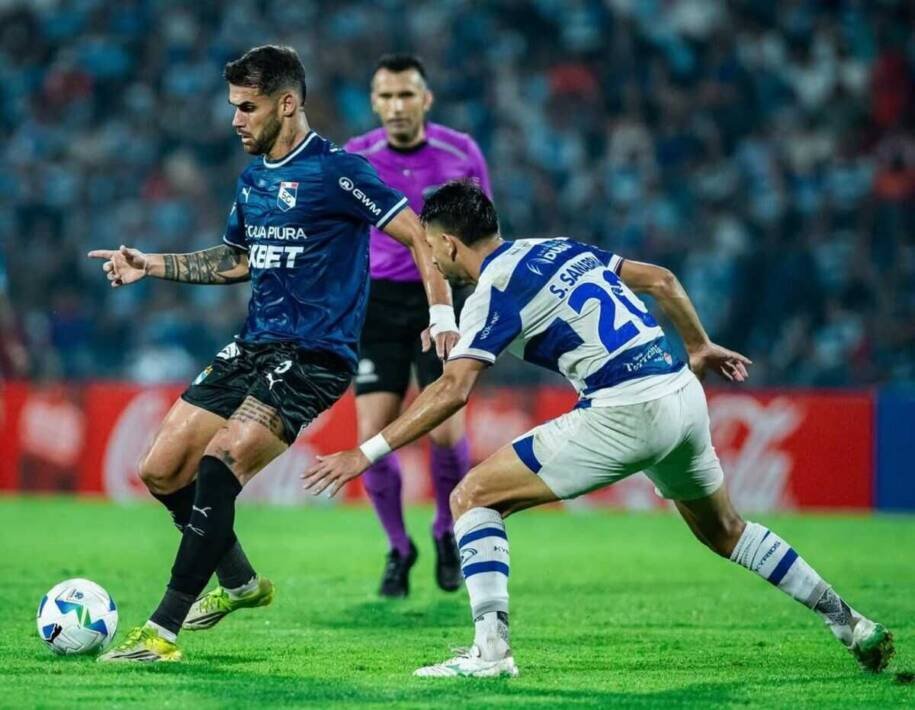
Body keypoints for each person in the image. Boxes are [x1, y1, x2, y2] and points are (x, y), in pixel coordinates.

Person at [303, 180, 895, 678]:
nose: (430, 260)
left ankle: (490, 653)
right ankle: (851, 623)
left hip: (624, 410)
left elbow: (453, 390)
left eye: (432, 248)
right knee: (727, 531)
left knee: (472, 497)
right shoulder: (556, 248)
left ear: (450, 244)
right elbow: (662, 280)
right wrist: (698, 344)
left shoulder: (492, 291)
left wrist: (365, 451)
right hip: (681, 394)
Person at [88, 45, 458, 663]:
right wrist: (150, 264)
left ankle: (161, 631)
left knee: (221, 461)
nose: (235, 119)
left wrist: (442, 314)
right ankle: (239, 582)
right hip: (254, 344)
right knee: (159, 470)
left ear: (286, 105)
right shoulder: (254, 178)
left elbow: (419, 235)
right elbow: (237, 259)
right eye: (234, 106)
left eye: (247, 107)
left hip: (316, 355)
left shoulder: (338, 172)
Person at [344, 53, 492, 597]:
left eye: (406, 94)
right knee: (371, 437)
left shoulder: (461, 153)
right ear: (374, 102)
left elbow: (484, 234)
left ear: (425, 99)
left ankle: (446, 531)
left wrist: (478, 300)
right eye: (386, 96)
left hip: (446, 300)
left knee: (446, 430)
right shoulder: (356, 157)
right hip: (379, 305)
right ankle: (398, 548)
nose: (396, 106)